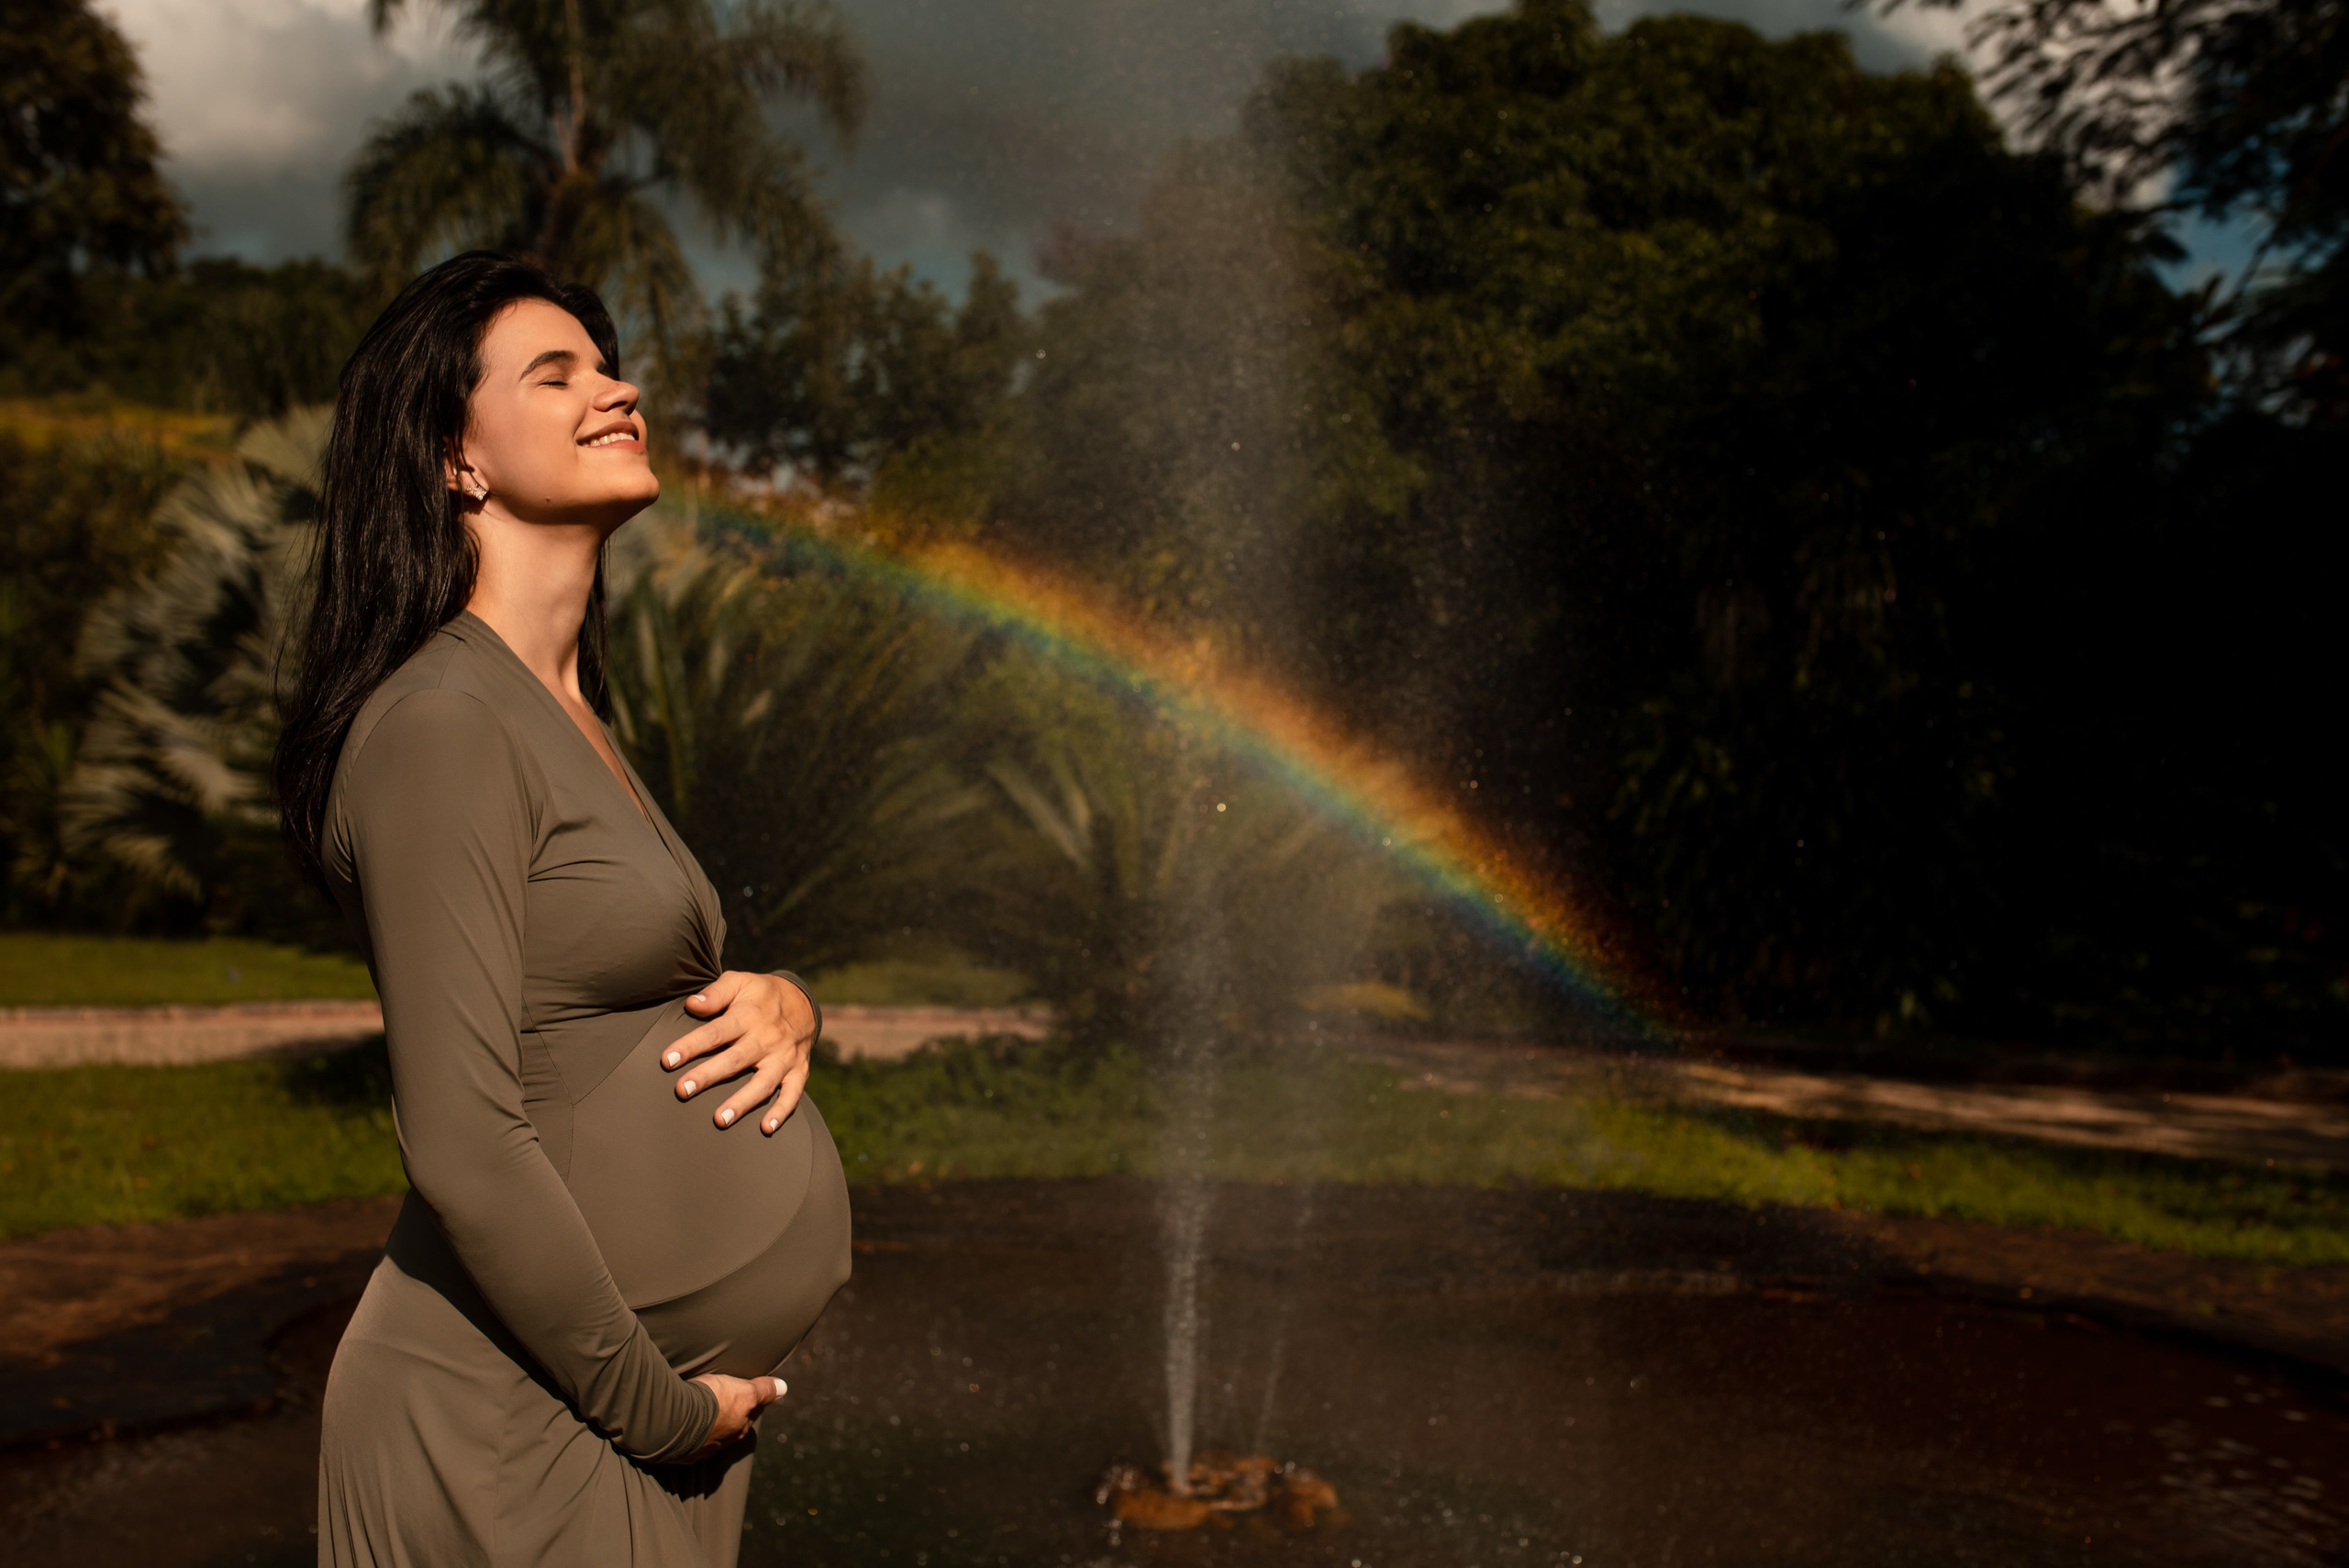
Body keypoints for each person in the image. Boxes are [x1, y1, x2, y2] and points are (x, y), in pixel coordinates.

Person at [273, 251, 852, 1566]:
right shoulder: (440, 720)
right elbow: (465, 1141)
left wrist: (790, 1001)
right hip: (520, 1429)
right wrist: (661, 1414)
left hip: (620, 1420)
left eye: (610, 363)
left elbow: (598, 993)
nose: (618, 388)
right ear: (451, 457)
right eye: (558, 371)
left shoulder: (567, 714)